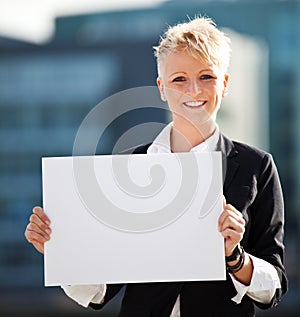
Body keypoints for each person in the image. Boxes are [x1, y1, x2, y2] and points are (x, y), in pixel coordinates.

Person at [24, 17, 287, 316]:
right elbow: (100, 292)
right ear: (162, 88)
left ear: (224, 84)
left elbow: (273, 287)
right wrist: (60, 252)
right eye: (179, 79)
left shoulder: (257, 166)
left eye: (206, 77)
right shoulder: (126, 168)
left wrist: (234, 256)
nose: (193, 90)